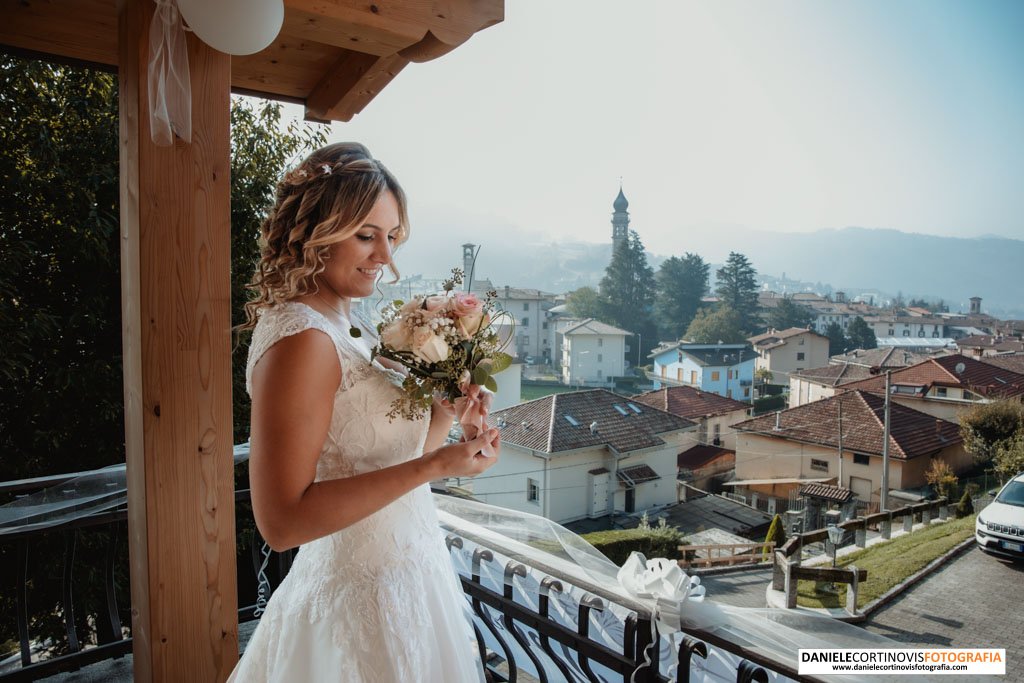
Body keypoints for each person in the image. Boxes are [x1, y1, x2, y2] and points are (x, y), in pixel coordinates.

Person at [229, 142, 499, 682]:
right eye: (366, 235)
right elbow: (281, 522)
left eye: (391, 236)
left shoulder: (345, 325)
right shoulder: (302, 339)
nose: (385, 257)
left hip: (411, 579)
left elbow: (384, 460)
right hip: (356, 606)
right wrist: (437, 467)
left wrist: (444, 418)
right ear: (315, 233)